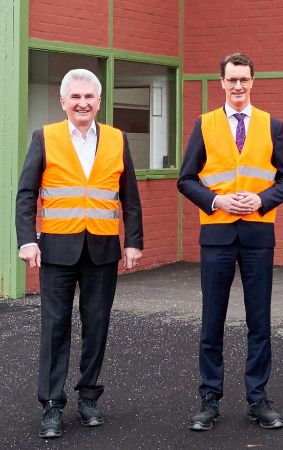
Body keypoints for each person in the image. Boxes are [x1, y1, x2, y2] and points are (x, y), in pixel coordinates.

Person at [16, 69, 144, 439]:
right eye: (75, 97)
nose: (83, 103)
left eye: (89, 97)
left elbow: (129, 197)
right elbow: (26, 194)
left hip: (102, 248)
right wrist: (27, 240)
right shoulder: (45, 137)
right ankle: (52, 404)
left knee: (97, 327)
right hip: (56, 249)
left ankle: (89, 398)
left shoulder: (118, 140)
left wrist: (132, 241)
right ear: (63, 102)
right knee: (55, 328)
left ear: (99, 102)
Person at [177, 53, 283, 431]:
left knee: (258, 321)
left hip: (258, 235)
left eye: (244, 79)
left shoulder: (271, 124)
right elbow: (186, 178)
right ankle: (209, 399)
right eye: (232, 80)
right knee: (212, 321)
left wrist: (262, 200)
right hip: (217, 235)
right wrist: (216, 200)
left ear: (253, 82)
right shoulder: (205, 124)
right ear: (222, 83)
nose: (238, 86)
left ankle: (258, 399)